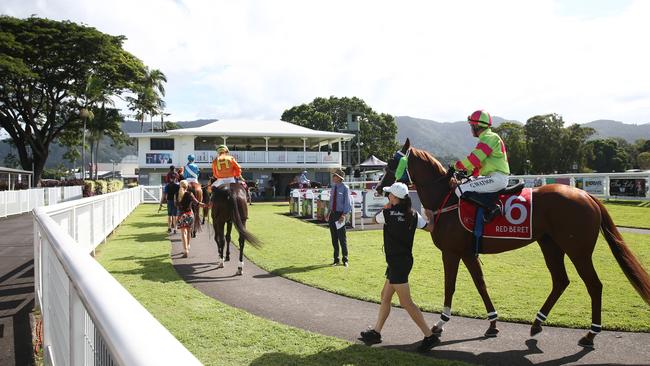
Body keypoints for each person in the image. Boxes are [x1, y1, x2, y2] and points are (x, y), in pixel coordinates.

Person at [360, 182, 438, 352]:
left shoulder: (386, 213)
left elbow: (374, 219)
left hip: (397, 263)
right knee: (385, 296)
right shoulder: (413, 214)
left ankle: (429, 336)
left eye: (390, 194)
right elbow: (430, 228)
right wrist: (430, 216)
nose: (388, 196)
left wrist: (387, 207)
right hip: (403, 261)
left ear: (395, 197)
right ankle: (376, 332)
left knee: (406, 302)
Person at [452, 109, 510, 222]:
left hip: (497, 178)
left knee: (459, 190)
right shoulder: (488, 137)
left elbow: (474, 159)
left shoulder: (489, 138)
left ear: (476, 126)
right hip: (494, 177)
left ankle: (492, 208)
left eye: (471, 125)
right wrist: (468, 174)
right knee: (465, 183)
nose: (471, 129)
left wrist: (455, 166)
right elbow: (477, 166)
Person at [326, 169, 351, 266]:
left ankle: (345, 259)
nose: (333, 177)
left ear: (340, 178)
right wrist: (328, 213)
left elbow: (347, 203)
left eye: (335, 176)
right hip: (332, 214)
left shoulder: (345, 188)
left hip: (340, 215)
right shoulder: (333, 187)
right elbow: (331, 201)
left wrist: (343, 215)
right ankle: (336, 259)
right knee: (334, 238)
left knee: (342, 238)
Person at [176, 180, 206, 258]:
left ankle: (185, 250)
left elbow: (175, 204)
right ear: (187, 186)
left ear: (180, 185)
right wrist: (205, 205)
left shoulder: (177, 194)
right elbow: (197, 203)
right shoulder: (190, 194)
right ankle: (188, 246)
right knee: (189, 232)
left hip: (181, 215)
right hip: (189, 214)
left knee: (183, 233)